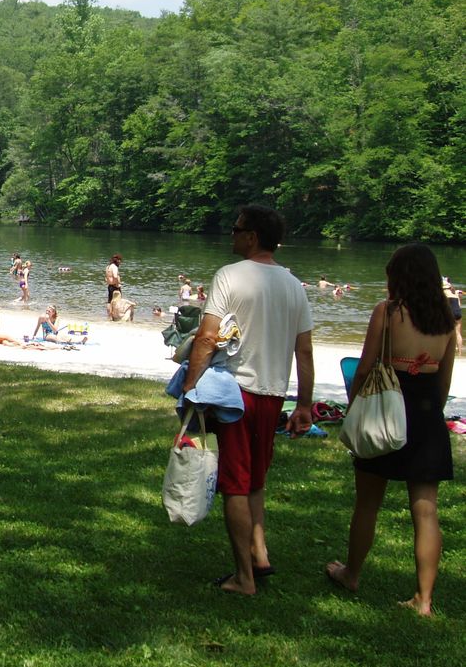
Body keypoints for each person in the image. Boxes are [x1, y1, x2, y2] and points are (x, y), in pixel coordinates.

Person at [182, 205, 314, 596]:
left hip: (235, 392)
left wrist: (190, 388)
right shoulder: (293, 285)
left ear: (252, 236)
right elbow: (303, 351)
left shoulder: (229, 276)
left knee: (235, 485)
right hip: (273, 395)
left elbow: (206, 338)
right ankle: (259, 554)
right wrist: (304, 404)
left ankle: (244, 578)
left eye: (236, 229)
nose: (232, 235)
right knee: (255, 479)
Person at [326, 245, 456, 616]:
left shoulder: (388, 312)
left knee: (368, 501)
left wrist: (353, 408)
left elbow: (366, 367)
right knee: (426, 509)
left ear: (397, 276)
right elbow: (443, 382)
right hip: (426, 412)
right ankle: (425, 600)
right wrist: (431, 413)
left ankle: (351, 574)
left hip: (386, 407)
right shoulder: (447, 319)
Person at [443, 277, 462, 353]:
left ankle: (448, 350)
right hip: (458, 313)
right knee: (458, 333)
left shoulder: (444, 293)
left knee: (446, 332)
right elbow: (459, 305)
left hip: (451, 313)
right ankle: (460, 353)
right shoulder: (455, 293)